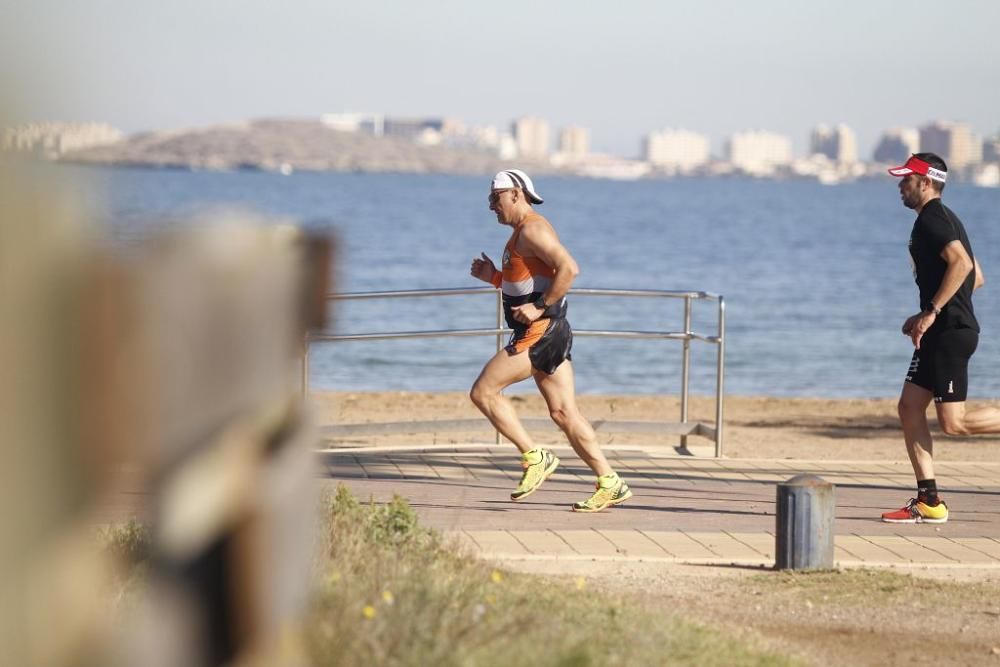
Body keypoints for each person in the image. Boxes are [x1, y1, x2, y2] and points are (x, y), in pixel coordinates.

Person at [469, 169, 631, 512]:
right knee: (563, 413)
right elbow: (532, 280)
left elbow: (568, 269)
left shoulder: (532, 229)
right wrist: (495, 278)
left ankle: (535, 456)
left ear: (515, 193)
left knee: (483, 392)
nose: (491, 207)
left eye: (494, 198)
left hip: (541, 332)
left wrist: (540, 307)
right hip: (551, 330)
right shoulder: (521, 234)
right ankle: (610, 482)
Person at [882, 152, 1000, 524]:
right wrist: (928, 313)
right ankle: (929, 500)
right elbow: (976, 276)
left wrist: (933, 312)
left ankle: (930, 500)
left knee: (955, 423)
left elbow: (963, 266)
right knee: (909, 407)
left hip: (948, 334)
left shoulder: (934, 219)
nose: (900, 186)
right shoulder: (944, 220)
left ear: (926, 182)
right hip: (941, 333)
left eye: (906, 179)